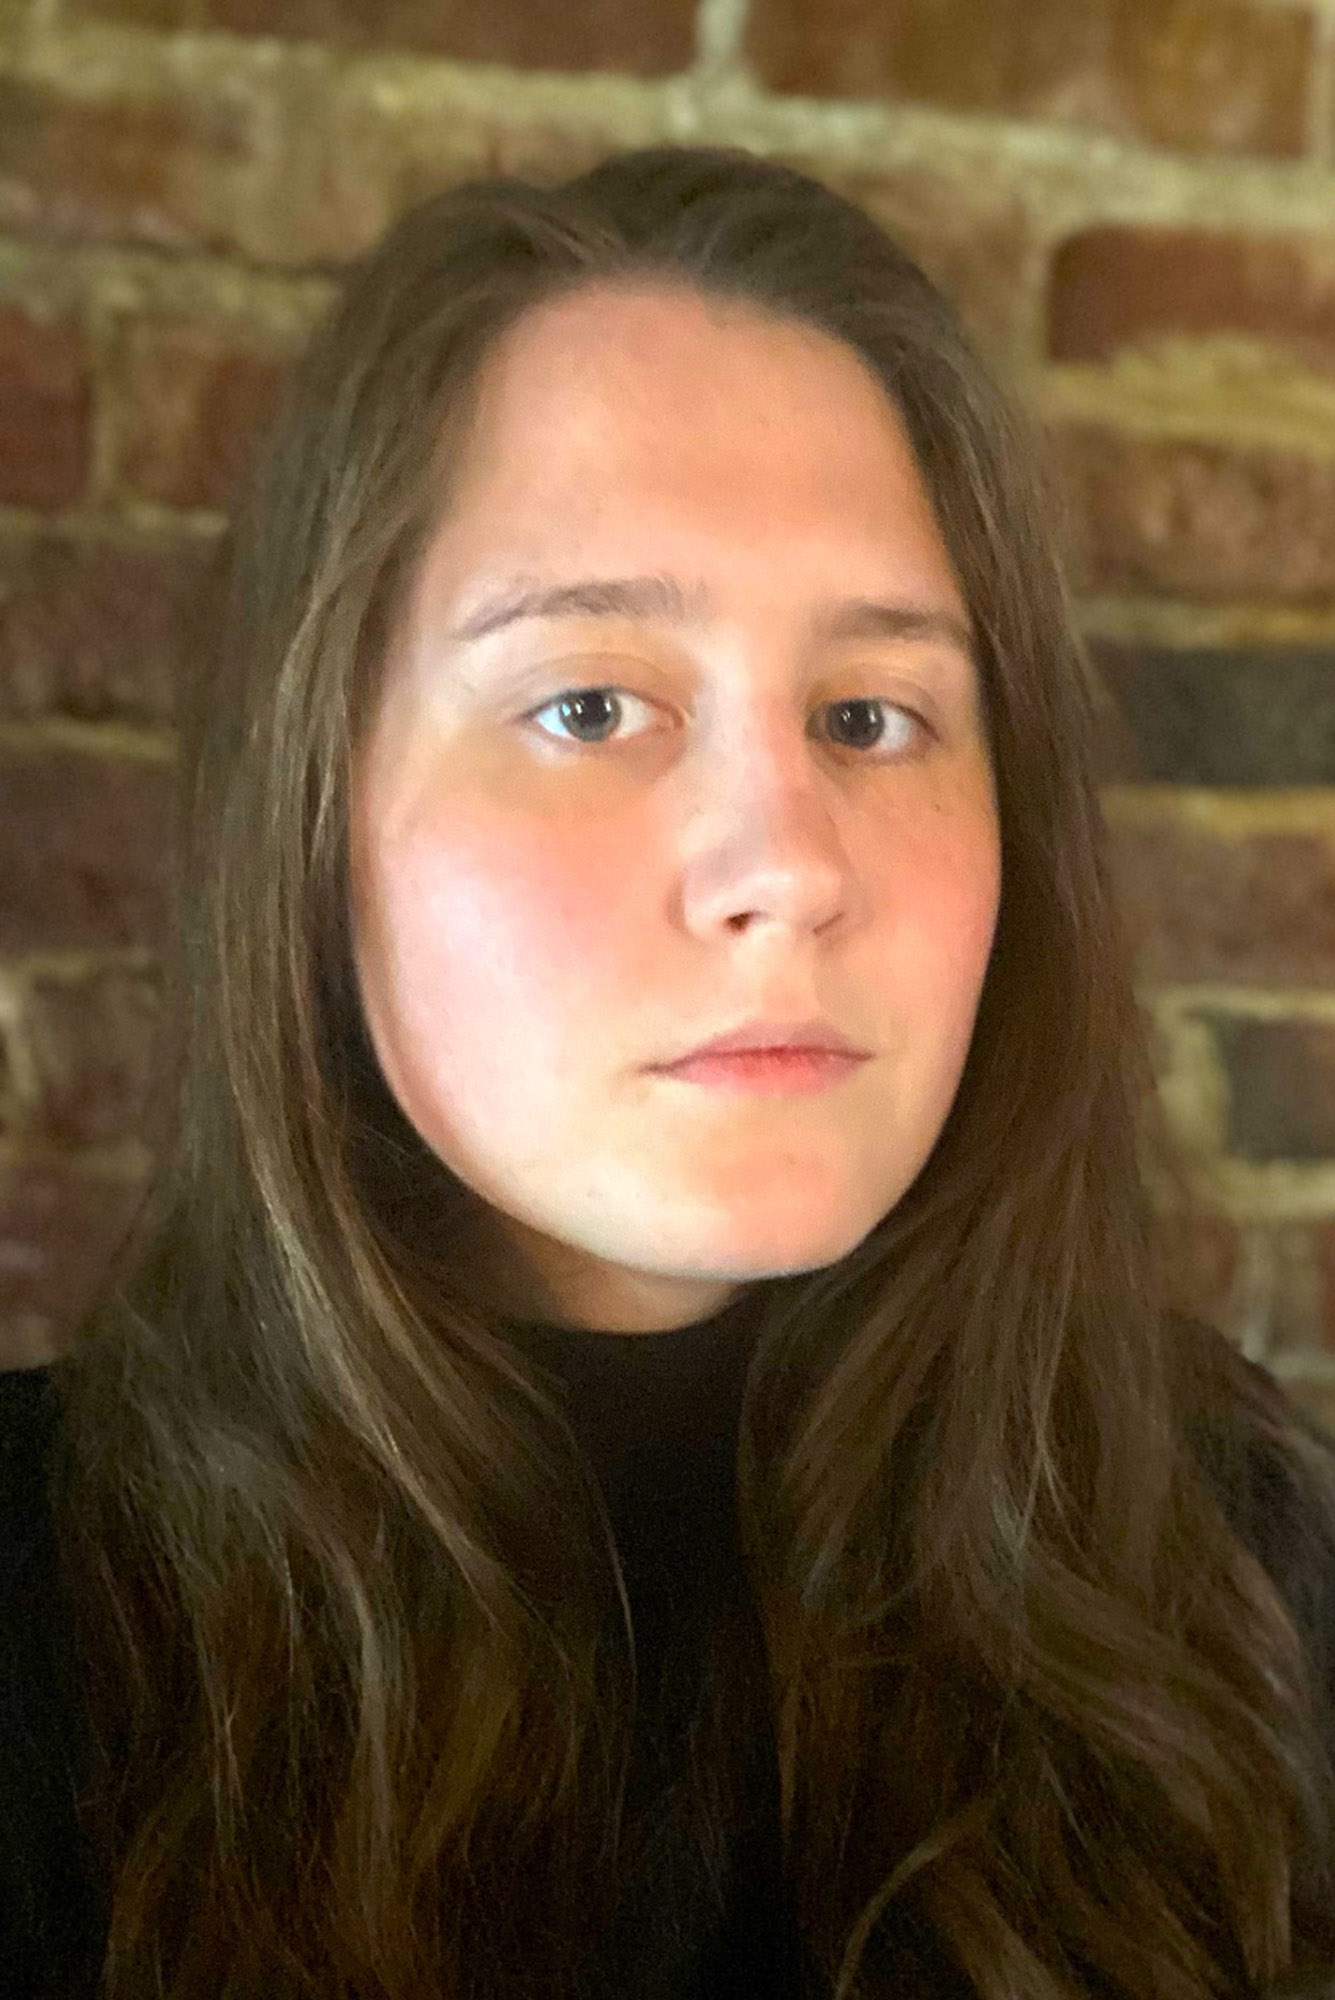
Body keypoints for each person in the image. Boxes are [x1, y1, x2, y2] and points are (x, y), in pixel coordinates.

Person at [2, 144, 1333, 2000]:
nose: (786, 858)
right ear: (317, 819)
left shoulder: (1243, 1569)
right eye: (589, 705)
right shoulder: (43, 1636)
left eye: (872, 717)